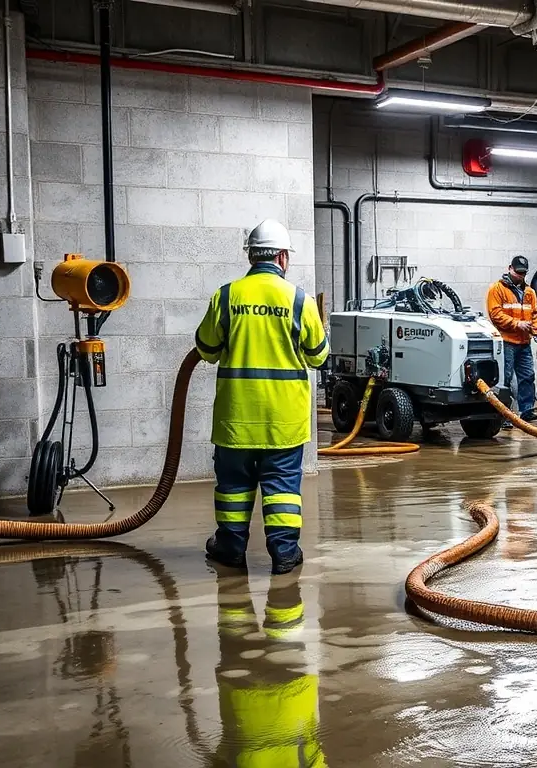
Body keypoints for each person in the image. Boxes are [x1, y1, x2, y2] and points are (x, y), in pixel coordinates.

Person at [194, 219, 329, 575]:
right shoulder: (299, 299)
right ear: (283, 257)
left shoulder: (226, 295)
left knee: (234, 488)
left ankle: (230, 548)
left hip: (236, 417)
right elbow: (318, 356)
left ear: (251, 256)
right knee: (282, 487)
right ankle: (284, 553)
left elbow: (206, 348)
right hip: (283, 419)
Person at [213, 568, 328, 767]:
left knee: (285, 632)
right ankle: (231, 562)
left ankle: (283, 568)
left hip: (292, 695)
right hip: (242, 697)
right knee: (235, 628)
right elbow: (222, 757)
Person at [486, 255, 537, 424]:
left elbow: (536, 313)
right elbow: (496, 315)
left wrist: (536, 329)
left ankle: (527, 411)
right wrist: (517, 324)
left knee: (527, 377)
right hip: (506, 342)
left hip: (524, 343)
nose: (520, 276)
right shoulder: (497, 289)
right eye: (518, 272)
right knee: (505, 379)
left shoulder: (530, 292)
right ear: (509, 268)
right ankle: (505, 416)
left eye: (523, 273)